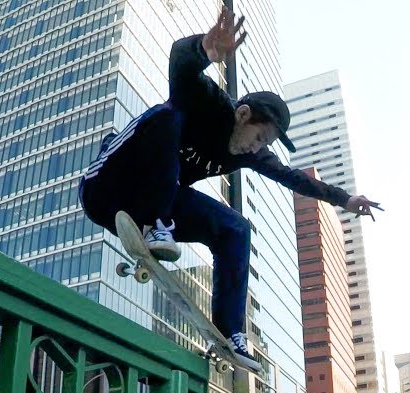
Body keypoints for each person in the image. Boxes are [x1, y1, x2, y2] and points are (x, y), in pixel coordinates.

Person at [78, 8, 381, 372]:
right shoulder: (206, 100)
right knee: (168, 116)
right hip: (106, 186)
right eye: (260, 136)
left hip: (151, 203)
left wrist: (345, 199)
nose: (257, 148)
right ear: (242, 115)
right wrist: (203, 50)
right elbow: (180, 62)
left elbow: (294, 178)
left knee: (236, 228)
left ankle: (230, 329)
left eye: (265, 143)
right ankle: (155, 223)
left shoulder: (252, 155)